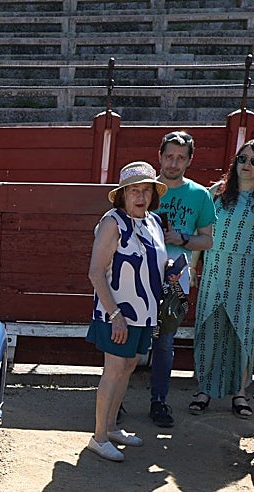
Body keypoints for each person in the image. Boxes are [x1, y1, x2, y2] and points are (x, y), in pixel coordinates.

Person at [85, 161, 178, 462]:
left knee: (128, 367)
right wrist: (115, 315)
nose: (140, 196)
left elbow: (156, 263)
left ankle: (112, 427)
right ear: (122, 194)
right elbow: (96, 273)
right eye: (134, 190)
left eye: (146, 190)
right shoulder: (113, 222)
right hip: (118, 314)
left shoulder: (153, 222)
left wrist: (171, 273)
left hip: (144, 312)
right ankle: (98, 437)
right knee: (113, 369)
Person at [190, 138, 254, 418]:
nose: (247, 165)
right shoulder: (217, 192)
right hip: (215, 270)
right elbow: (202, 231)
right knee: (209, 329)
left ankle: (239, 393)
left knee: (242, 333)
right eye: (243, 159)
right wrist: (193, 266)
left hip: (248, 275)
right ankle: (204, 389)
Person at [150, 131, 215, 428]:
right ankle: (118, 401)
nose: (173, 163)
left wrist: (182, 238)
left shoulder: (199, 195)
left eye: (180, 158)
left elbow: (207, 242)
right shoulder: (145, 188)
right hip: (142, 269)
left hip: (176, 272)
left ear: (189, 161)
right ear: (160, 156)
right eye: (169, 156)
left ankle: (159, 400)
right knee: (132, 339)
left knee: (164, 340)